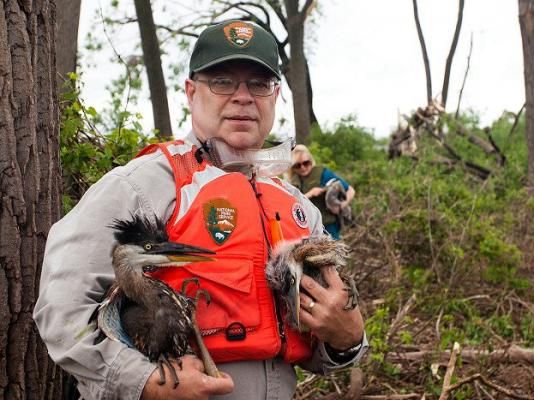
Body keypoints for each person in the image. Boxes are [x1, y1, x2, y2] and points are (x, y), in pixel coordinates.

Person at [34, 20, 367, 400]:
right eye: (223, 81)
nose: (243, 97)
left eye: (258, 84)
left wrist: (348, 340)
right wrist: (144, 383)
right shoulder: (141, 185)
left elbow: (328, 344)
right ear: (191, 92)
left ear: (275, 96)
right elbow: (61, 309)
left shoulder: (298, 207)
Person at [288, 145, 355, 240]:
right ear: (293, 167)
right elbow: (290, 205)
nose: (303, 167)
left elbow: (350, 190)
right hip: (306, 230)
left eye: (306, 163)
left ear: (311, 161)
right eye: (298, 165)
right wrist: (310, 194)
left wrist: (341, 206)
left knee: (333, 253)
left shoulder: (323, 174)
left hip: (328, 227)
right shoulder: (292, 182)